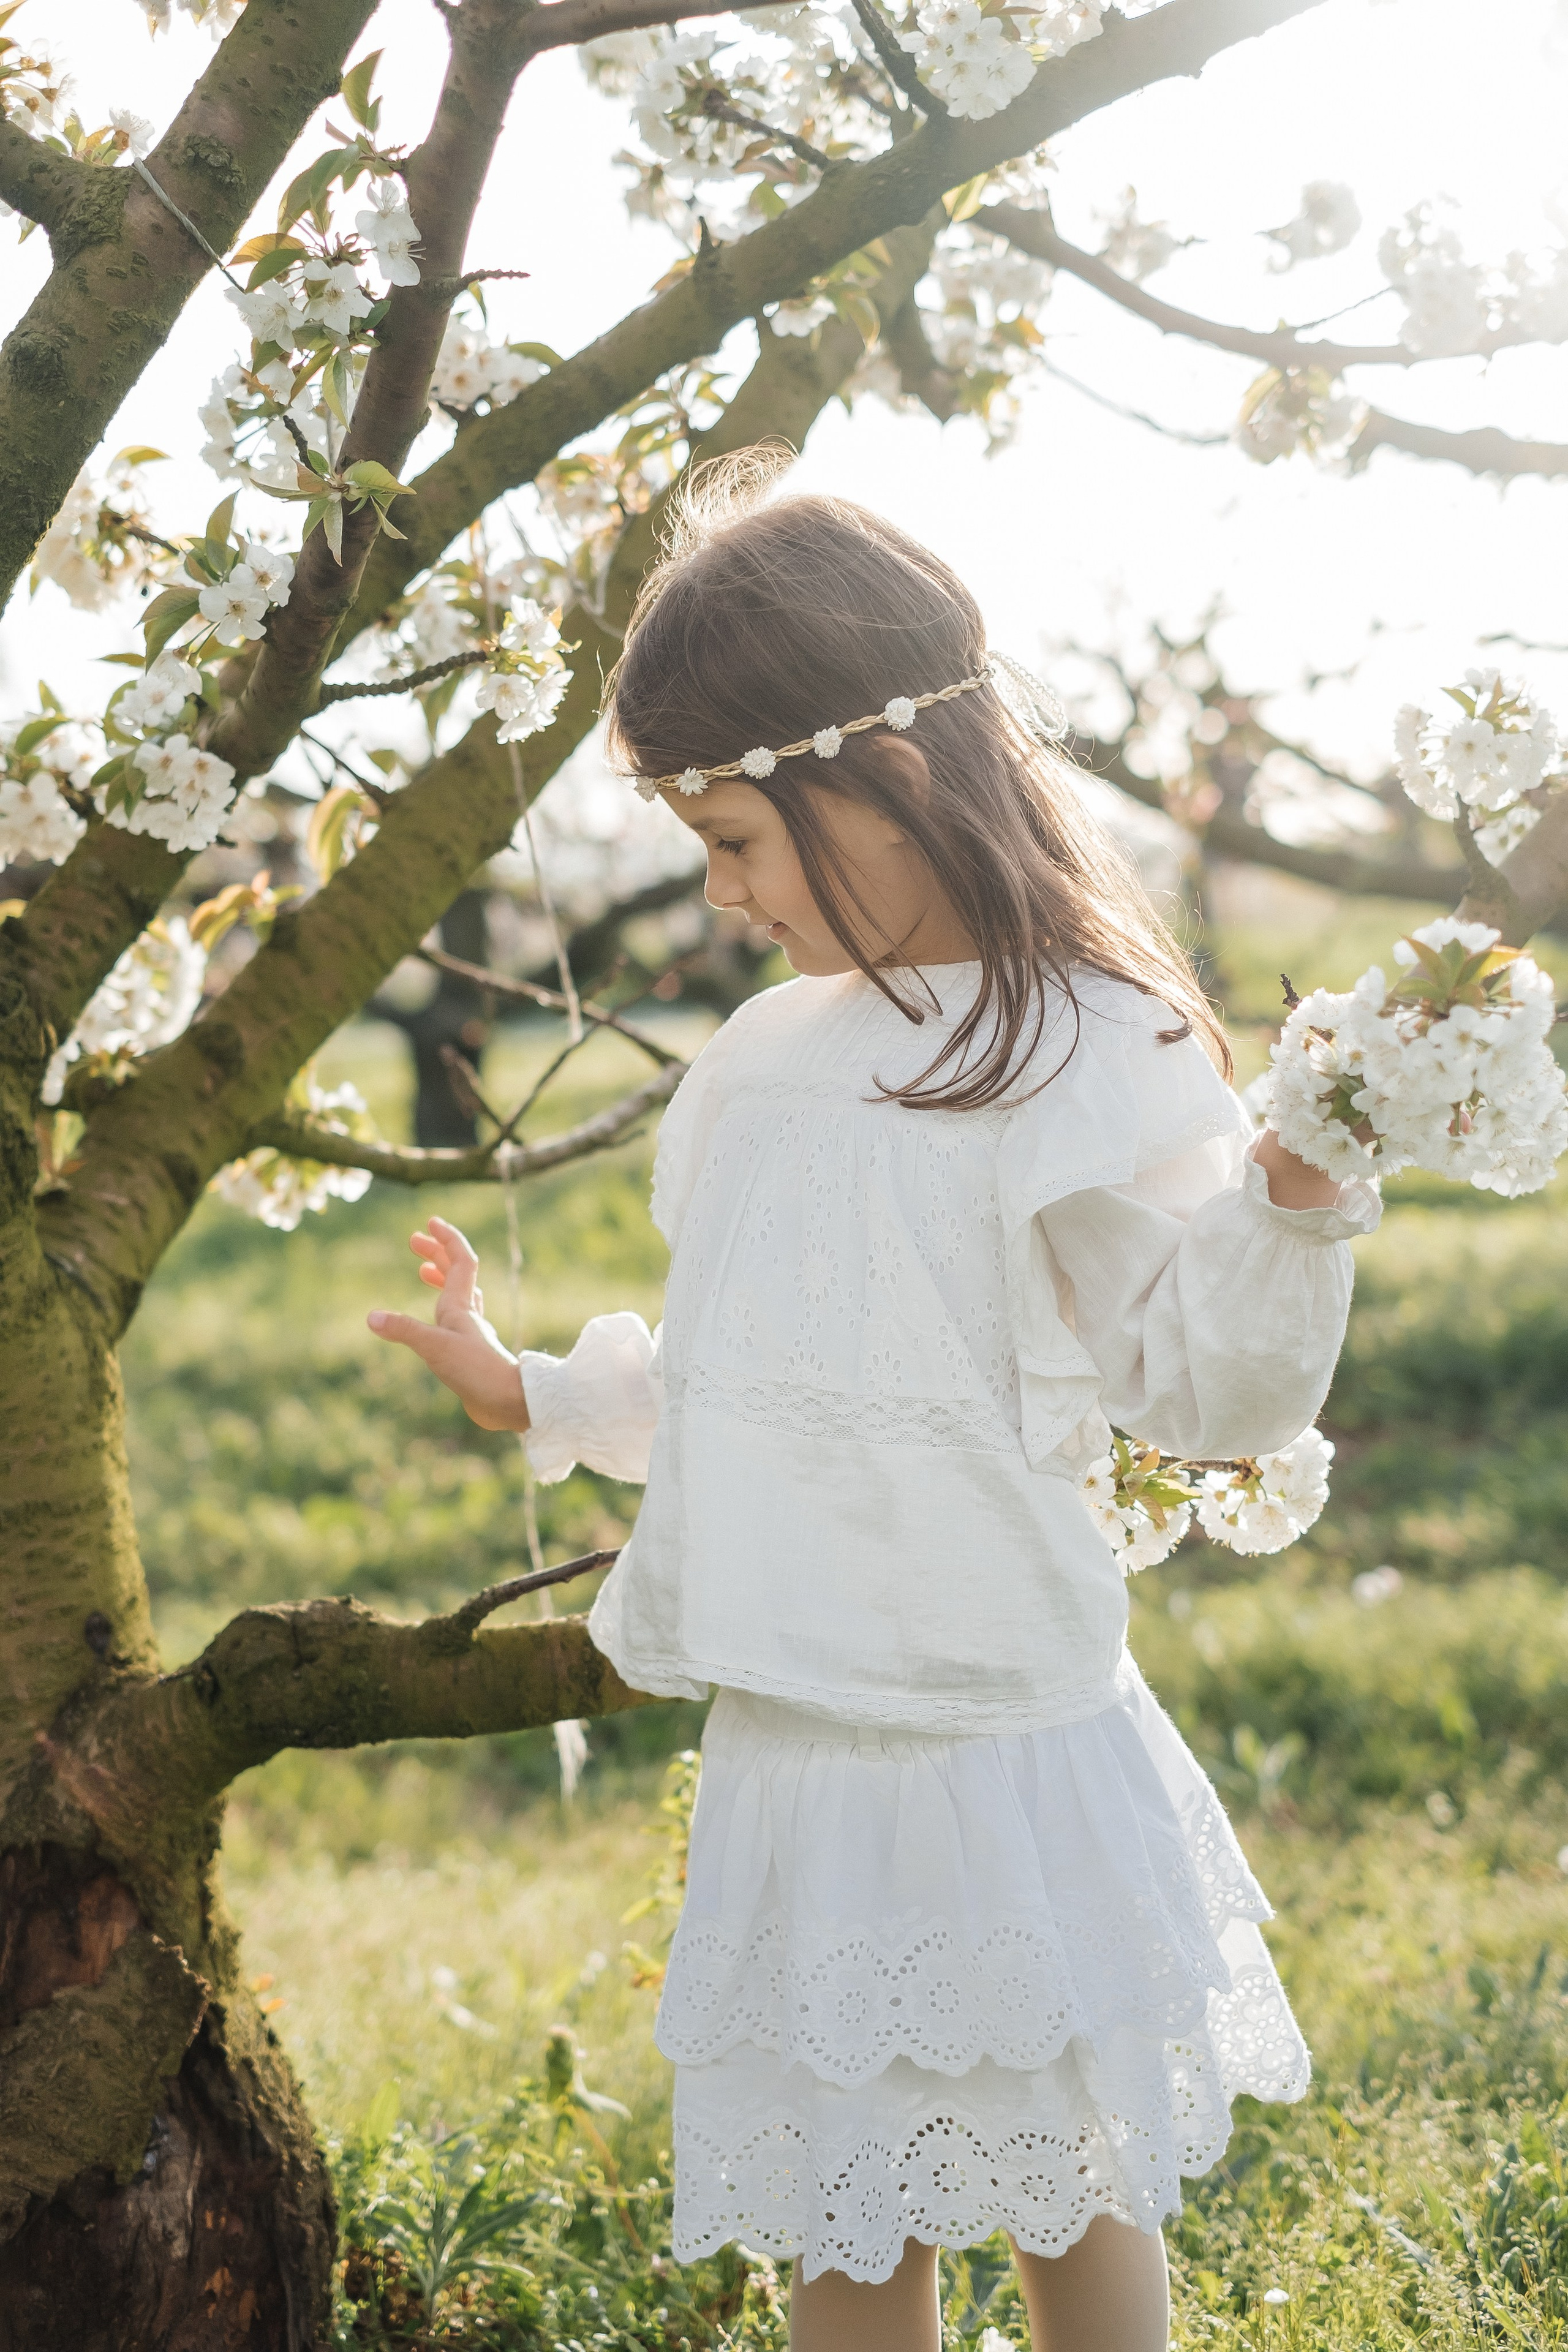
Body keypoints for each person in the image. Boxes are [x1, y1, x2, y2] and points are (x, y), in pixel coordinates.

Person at [368, 472, 1379, 2352]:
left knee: (1073, 2179)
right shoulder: (769, 1064)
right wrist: (531, 1388)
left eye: (738, 836)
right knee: (848, 2209)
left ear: (894, 783)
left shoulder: (1070, 1049)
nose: (722, 893)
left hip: (998, 1734)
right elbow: (763, 1381)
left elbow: (1205, 1385)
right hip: (804, 1746)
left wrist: (1294, 1214)